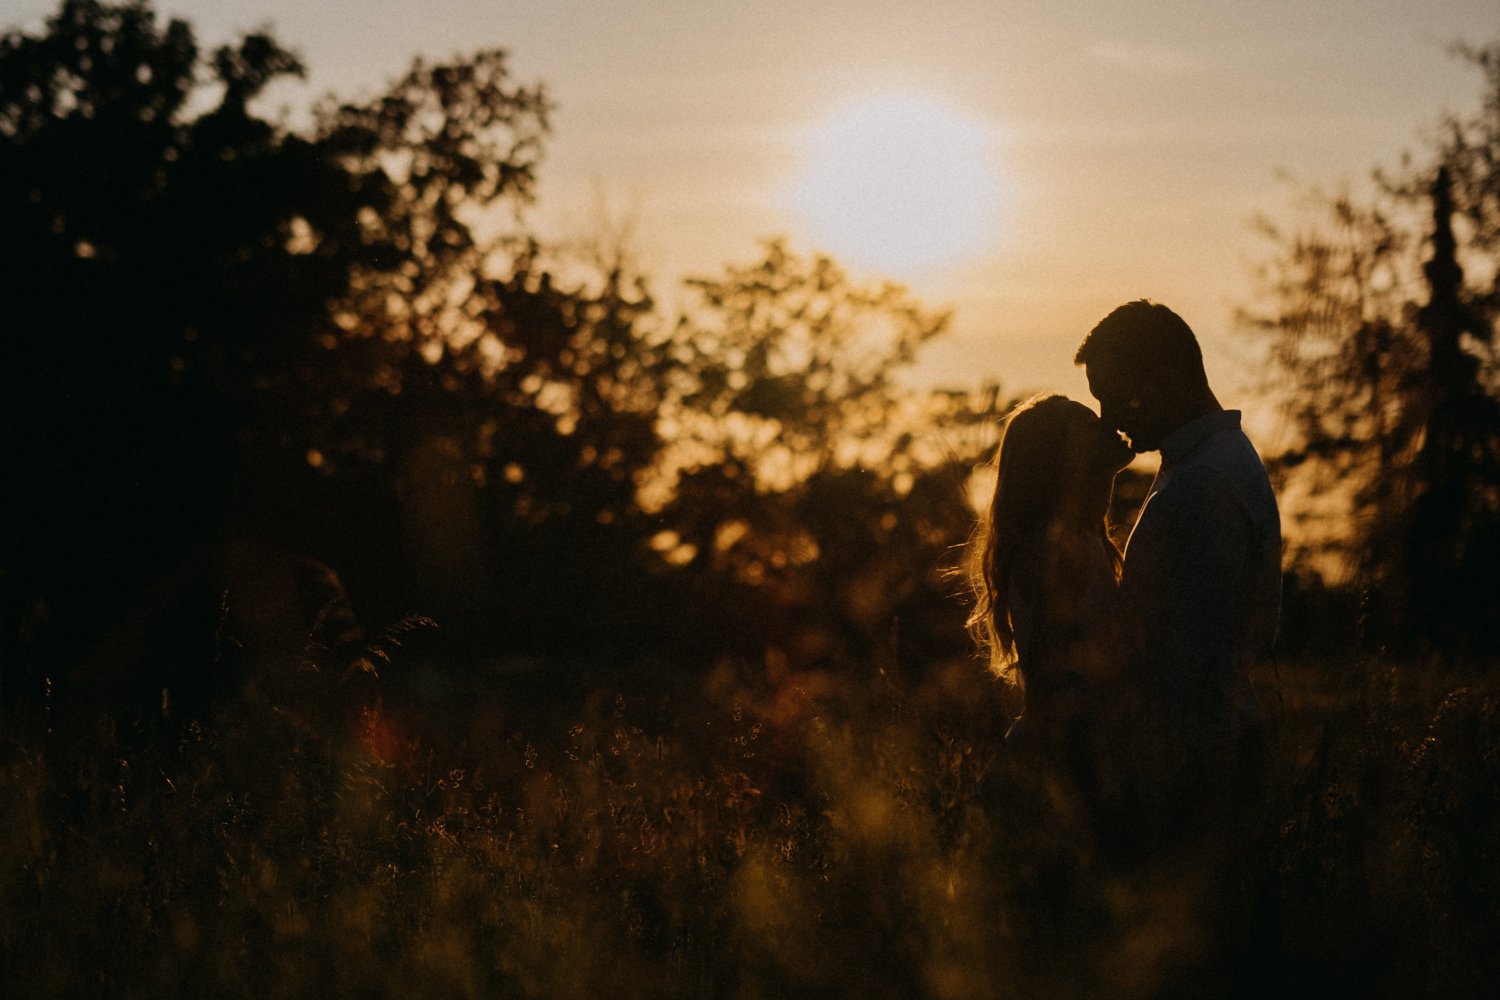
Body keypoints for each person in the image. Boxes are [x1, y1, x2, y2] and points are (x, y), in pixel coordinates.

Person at [1075, 299, 1283, 996]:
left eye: (1115, 398)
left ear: (1162, 380)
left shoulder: (1202, 488)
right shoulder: (1202, 469)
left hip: (1196, 777)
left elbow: (1187, 665)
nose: (1110, 421)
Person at [967, 393, 1134, 786]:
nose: (1109, 426)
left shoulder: (1076, 542)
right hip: (1059, 770)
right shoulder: (1055, 553)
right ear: (1064, 459)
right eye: (1092, 427)